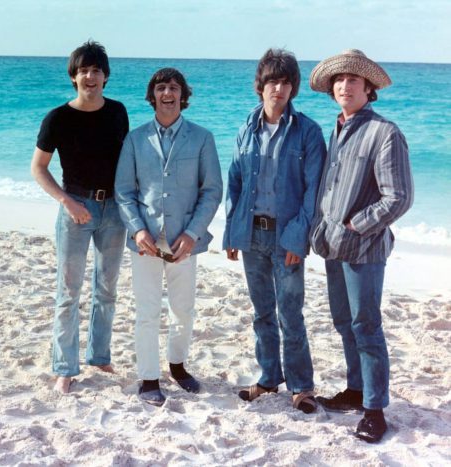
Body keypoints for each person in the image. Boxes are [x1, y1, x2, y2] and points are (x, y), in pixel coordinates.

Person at [309, 49, 413, 442]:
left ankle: (375, 409)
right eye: (339, 80)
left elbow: (398, 196)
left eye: (353, 80)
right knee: (343, 323)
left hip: (365, 250)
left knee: (366, 326)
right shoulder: (335, 130)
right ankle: (356, 389)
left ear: (369, 89)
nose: (344, 85)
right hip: (333, 247)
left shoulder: (384, 132)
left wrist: (358, 224)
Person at [223, 48, 326, 413]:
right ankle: (269, 378)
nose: (278, 89)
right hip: (251, 235)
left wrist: (299, 237)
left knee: (290, 313)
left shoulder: (308, 133)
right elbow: (234, 183)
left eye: (285, 82)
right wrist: (231, 234)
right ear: (260, 86)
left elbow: (313, 194)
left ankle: (301, 386)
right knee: (261, 311)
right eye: (272, 82)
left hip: (287, 237)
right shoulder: (245, 129)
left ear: (293, 88)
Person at [115, 68, 222, 406]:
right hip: (146, 242)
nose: (167, 93)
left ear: (182, 95)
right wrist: (138, 230)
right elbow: (123, 191)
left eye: (173, 88)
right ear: (153, 96)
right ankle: (148, 378)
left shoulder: (202, 137)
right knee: (146, 311)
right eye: (161, 88)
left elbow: (212, 191)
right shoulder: (135, 139)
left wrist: (193, 234)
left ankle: (177, 365)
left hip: (184, 242)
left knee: (183, 310)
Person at [31, 40, 129, 394]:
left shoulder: (118, 112)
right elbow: (38, 168)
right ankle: (65, 368)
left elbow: (126, 163)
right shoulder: (58, 118)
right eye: (84, 70)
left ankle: (99, 356)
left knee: (107, 289)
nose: (90, 76)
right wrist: (67, 202)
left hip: (114, 211)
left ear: (106, 77)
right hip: (75, 210)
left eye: (97, 70)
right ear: (74, 77)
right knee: (68, 292)